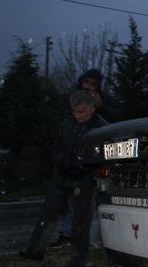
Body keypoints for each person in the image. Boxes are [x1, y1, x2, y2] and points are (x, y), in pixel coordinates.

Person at [19, 90, 108, 267]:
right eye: (75, 111)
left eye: (81, 112)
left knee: (80, 221)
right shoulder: (67, 122)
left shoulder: (101, 128)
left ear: (92, 108)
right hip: (61, 174)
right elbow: (59, 143)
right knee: (48, 213)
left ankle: (78, 261)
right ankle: (35, 250)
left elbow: (104, 154)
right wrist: (58, 159)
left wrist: (88, 168)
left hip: (83, 178)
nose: (78, 116)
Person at [49, 69, 120, 250]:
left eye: (93, 84)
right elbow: (62, 123)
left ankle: (91, 238)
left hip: (90, 160)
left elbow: (115, 121)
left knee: (90, 202)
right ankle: (66, 235)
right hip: (69, 158)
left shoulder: (102, 101)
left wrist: (100, 106)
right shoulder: (70, 99)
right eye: (86, 82)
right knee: (65, 200)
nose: (88, 87)